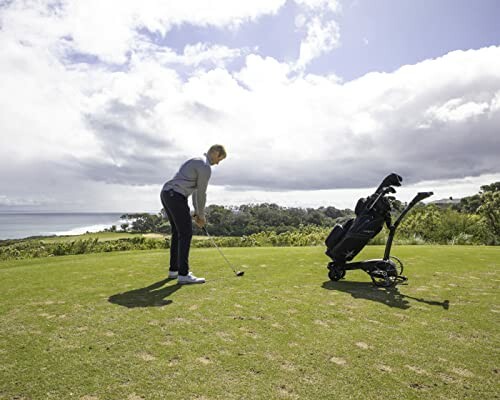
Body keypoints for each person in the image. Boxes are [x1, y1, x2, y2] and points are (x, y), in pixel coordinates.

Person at [160, 145, 226, 284]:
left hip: (167, 193)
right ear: (215, 152)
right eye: (219, 158)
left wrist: (197, 213)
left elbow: (196, 193)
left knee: (177, 233)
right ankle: (183, 275)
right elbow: (202, 193)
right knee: (185, 233)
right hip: (176, 195)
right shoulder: (205, 166)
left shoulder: (197, 160)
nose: (218, 163)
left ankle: (174, 270)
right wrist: (201, 216)